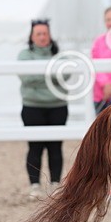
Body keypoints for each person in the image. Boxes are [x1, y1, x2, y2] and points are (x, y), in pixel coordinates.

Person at [18, 20, 68, 199]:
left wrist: (39, 76)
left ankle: (55, 184)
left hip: (57, 106)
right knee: (35, 147)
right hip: (33, 107)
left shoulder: (60, 55)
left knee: (56, 147)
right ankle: (35, 185)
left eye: (44, 33)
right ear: (32, 36)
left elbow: (66, 74)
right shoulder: (24, 55)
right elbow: (26, 78)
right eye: (38, 33)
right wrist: (51, 76)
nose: (41, 37)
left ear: (49, 35)